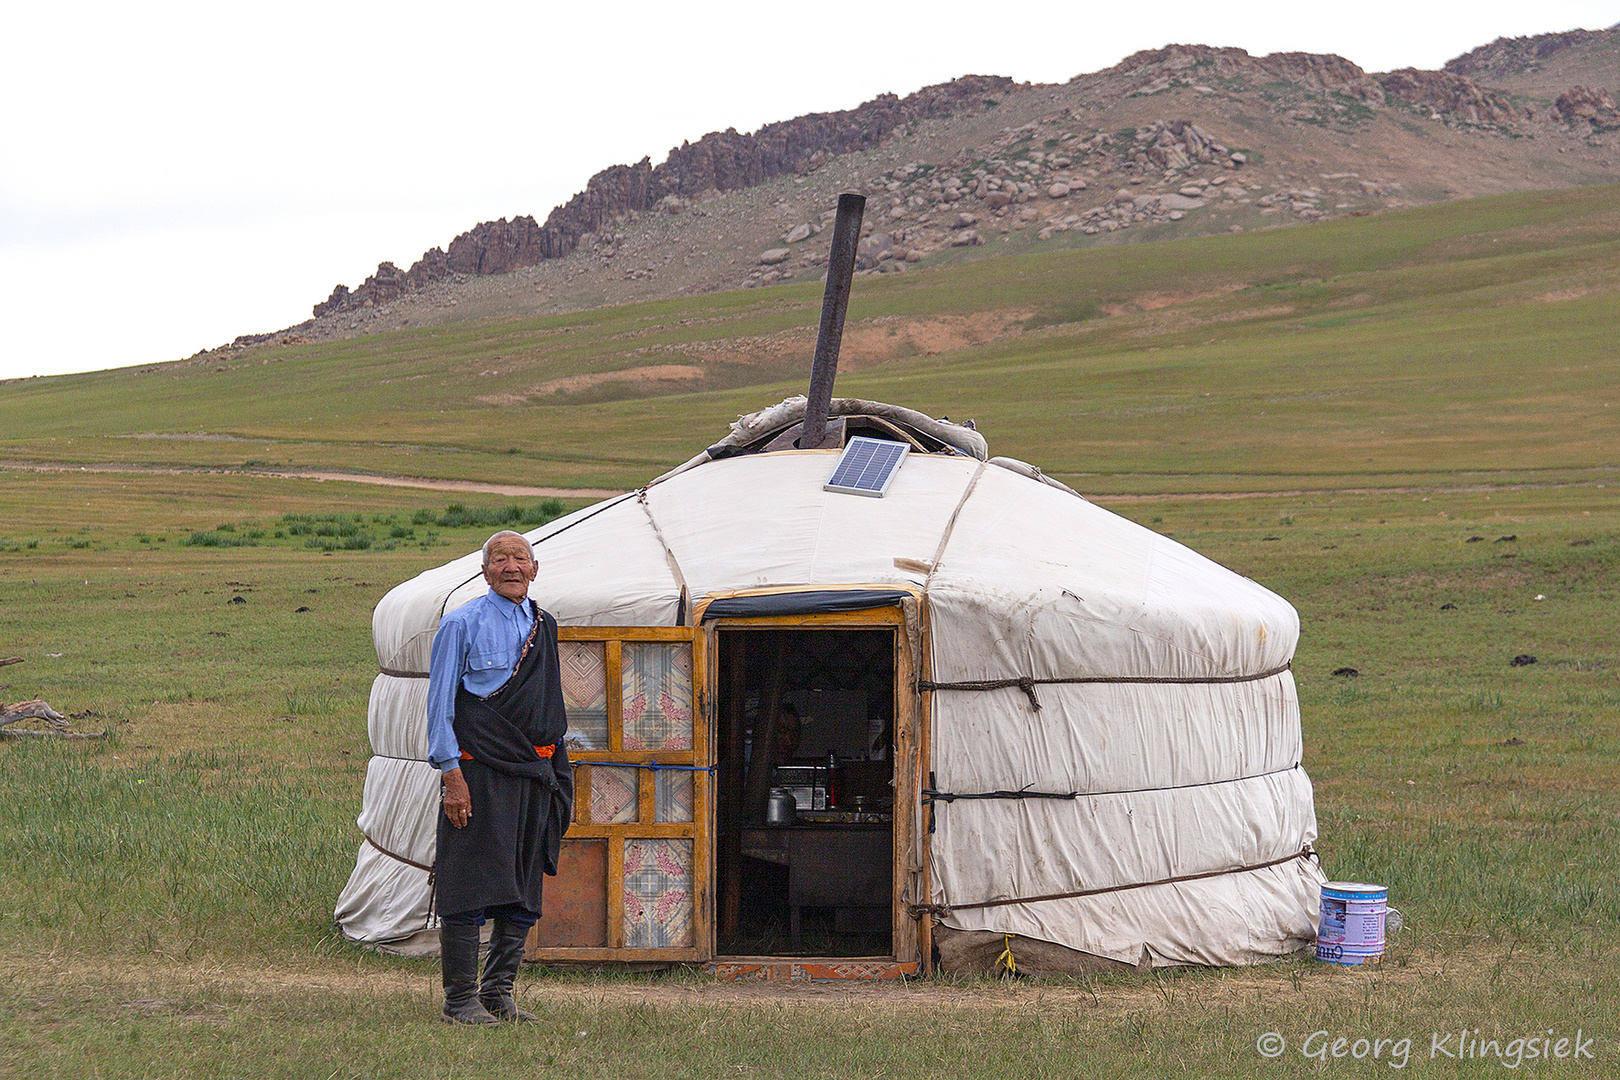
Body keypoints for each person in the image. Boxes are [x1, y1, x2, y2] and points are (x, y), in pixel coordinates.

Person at [427, 529, 572, 1024]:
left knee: (525, 879)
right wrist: (451, 775)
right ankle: (459, 1000)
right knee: (469, 878)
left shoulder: (545, 625)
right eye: (500, 558)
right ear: (484, 569)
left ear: (535, 569)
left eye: (520, 559)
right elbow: (440, 705)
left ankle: (497, 992)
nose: (512, 567)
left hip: (535, 771)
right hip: (479, 769)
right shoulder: (461, 623)